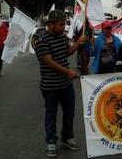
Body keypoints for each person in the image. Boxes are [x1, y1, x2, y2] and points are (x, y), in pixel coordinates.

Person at [32, 10, 86, 157]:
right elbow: (48, 61)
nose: (63, 27)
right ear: (51, 24)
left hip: (66, 84)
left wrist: (77, 44)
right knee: (51, 114)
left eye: (64, 24)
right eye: (61, 24)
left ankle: (67, 137)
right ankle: (51, 142)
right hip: (50, 85)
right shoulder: (40, 38)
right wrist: (68, 72)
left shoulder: (62, 37)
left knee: (69, 112)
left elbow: (66, 52)